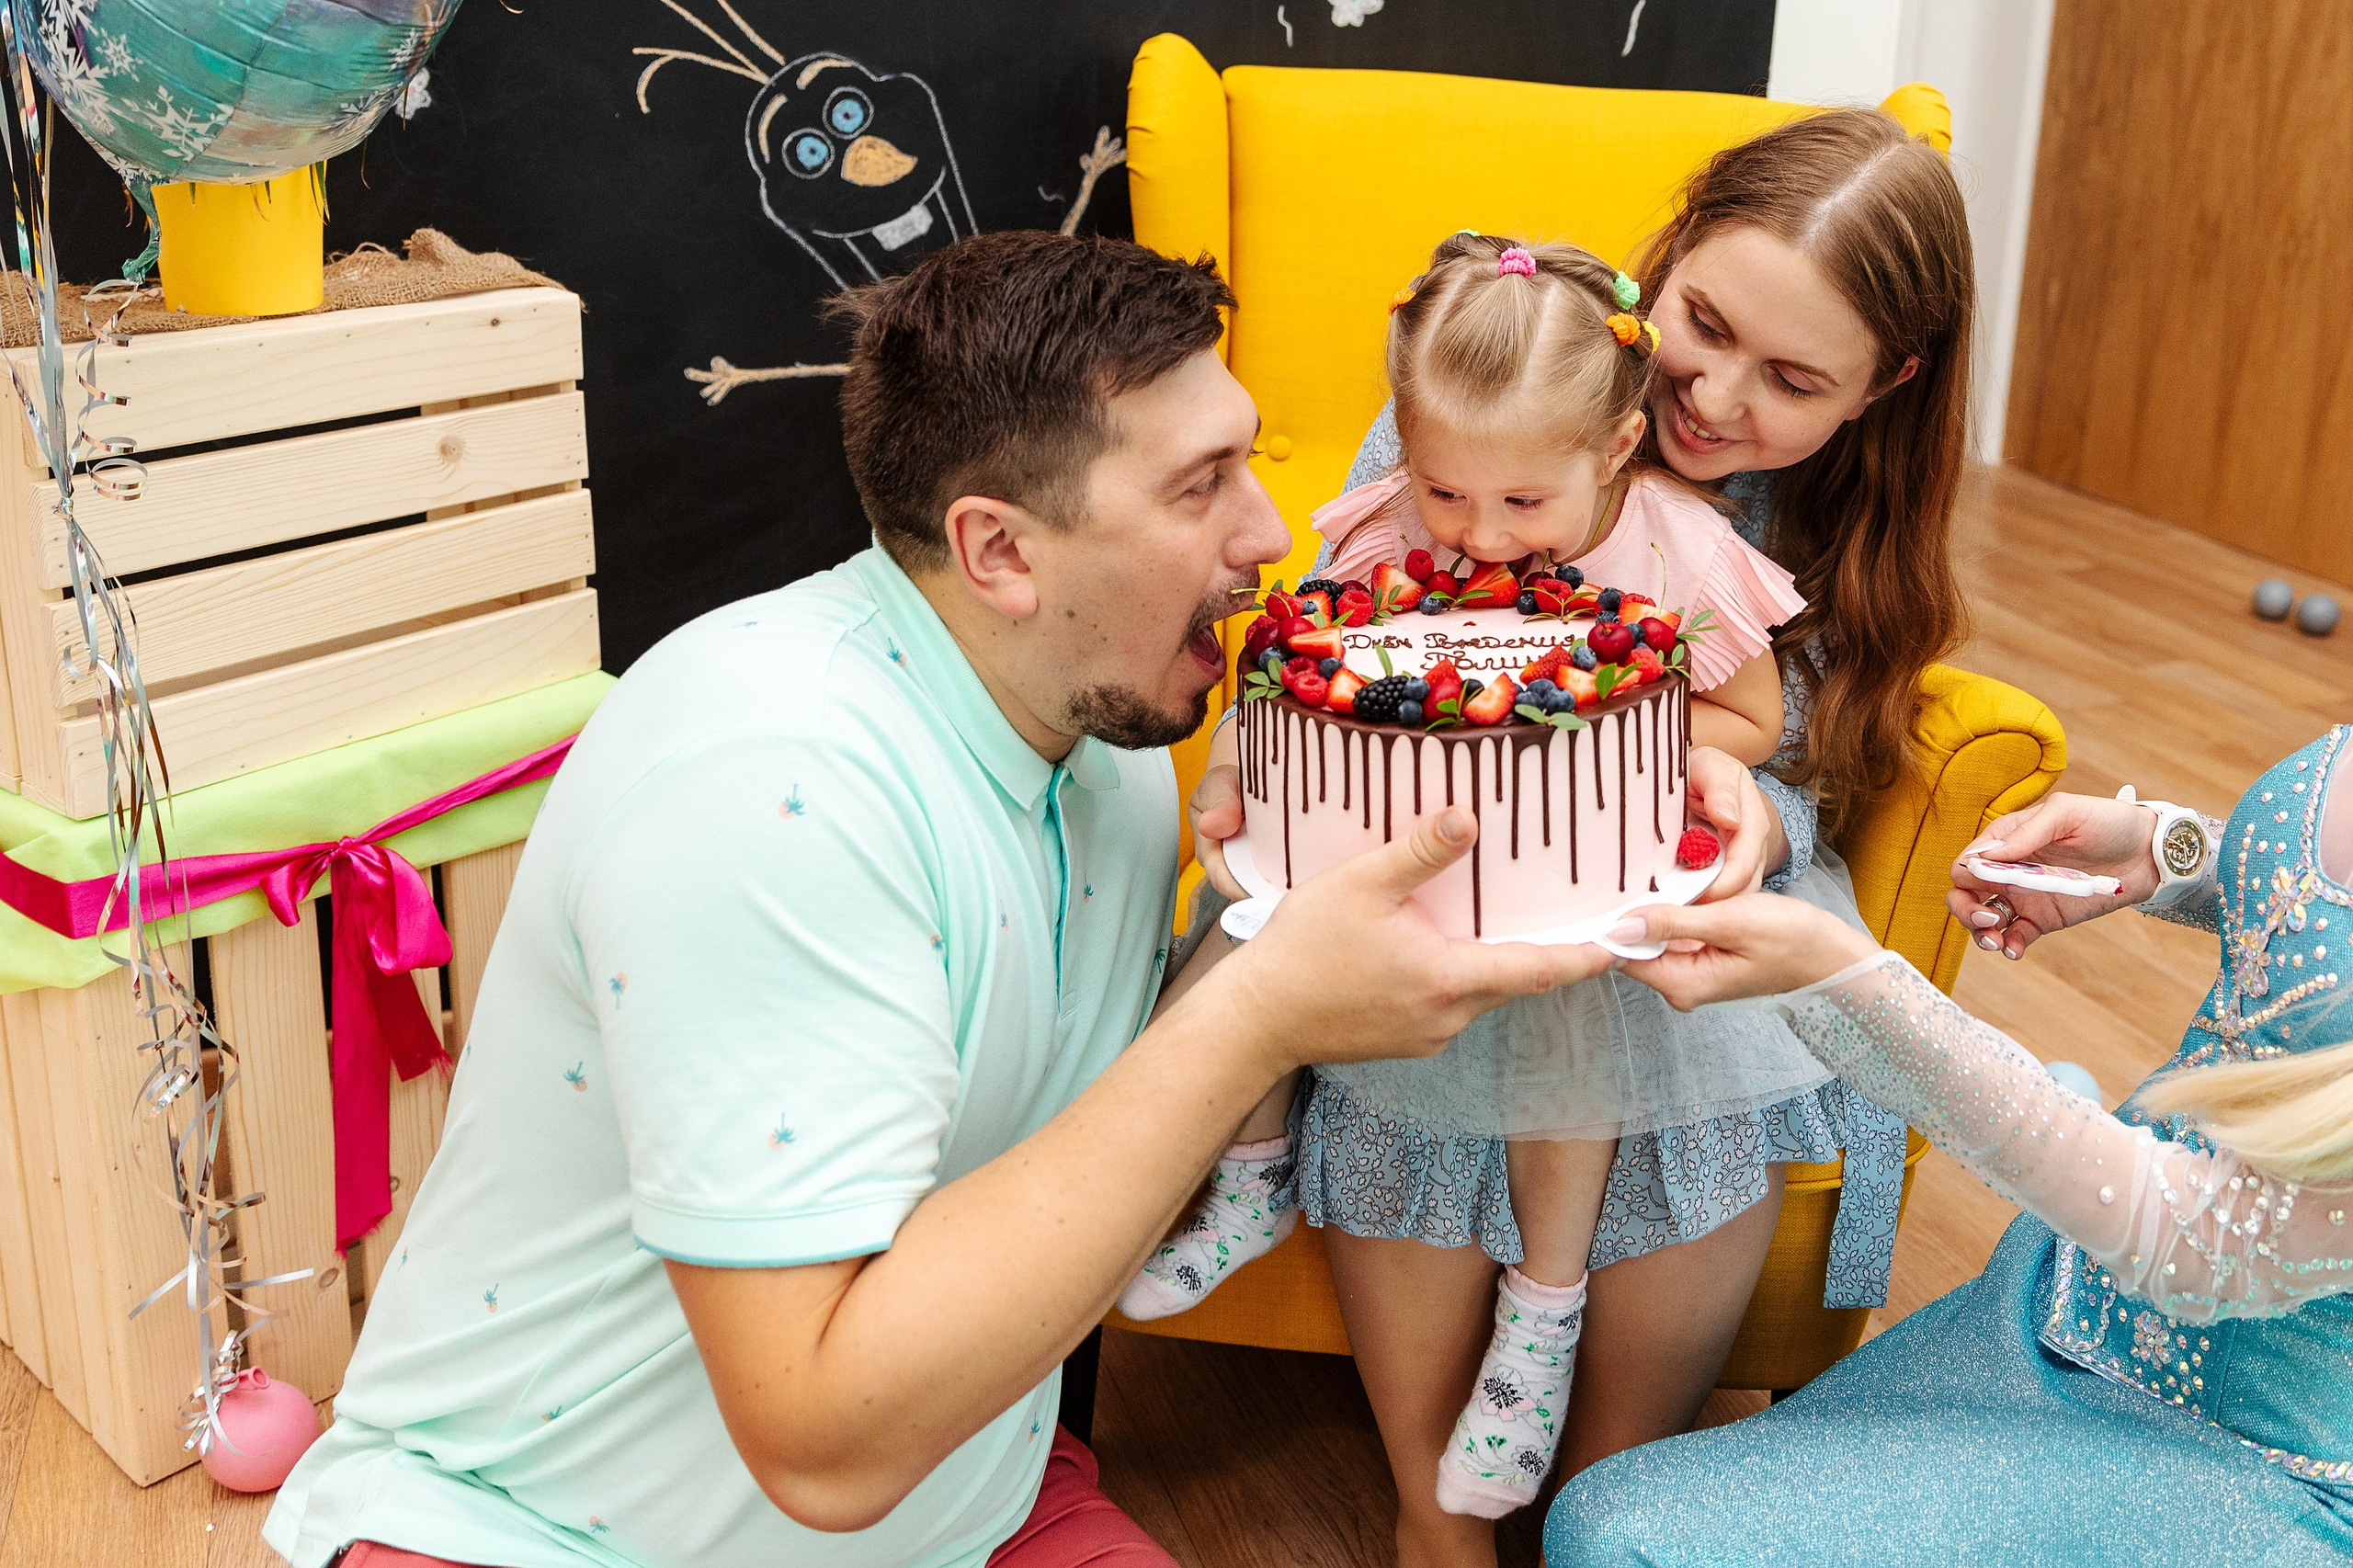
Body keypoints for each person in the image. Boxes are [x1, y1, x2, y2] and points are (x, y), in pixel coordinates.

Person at [260, 231, 1617, 1568]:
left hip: (964, 1502)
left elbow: (1110, 1129)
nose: (1269, 532)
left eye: (1247, 458)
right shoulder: (766, 781)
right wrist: (1257, 1013)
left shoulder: (1111, 751)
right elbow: (819, 1443)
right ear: (1001, 551)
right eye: (1204, 485)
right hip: (548, 1532)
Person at [1184, 106, 1976, 1564]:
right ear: (1660, 263)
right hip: (1432, 850)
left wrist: (1749, 799)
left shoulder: (1811, 527)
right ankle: (1436, 1502)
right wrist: (1259, 749)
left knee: (1678, 1029)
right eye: (1705, 322)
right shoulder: (1503, 371)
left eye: (1794, 378)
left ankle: (1609, 1496)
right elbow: (1334, 633)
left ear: (1886, 387)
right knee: (1420, 1023)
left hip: (1662, 874)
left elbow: (1789, 744)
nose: (1714, 394)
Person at [1116, 231, 1823, 1517]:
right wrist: (1235, 774)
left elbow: (1753, 718)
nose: (1478, 536)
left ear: (1610, 452)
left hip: (1563, 865)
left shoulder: (1671, 549)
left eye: (1519, 507)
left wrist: (1599, 723)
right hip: (1393, 847)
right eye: (1447, 494)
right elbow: (1296, 667)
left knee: (1569, 1037)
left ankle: (1539, 1324)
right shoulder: (1392, 527)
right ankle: (1252, 1169)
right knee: (1250, 940)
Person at [1544, 731, 2353, 1564]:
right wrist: (2162, 851)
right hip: (2064, 1293)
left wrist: (1840, 980)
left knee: (1615, 1539)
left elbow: (2208, 1244)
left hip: (2254, 1458)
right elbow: (2309, 905)